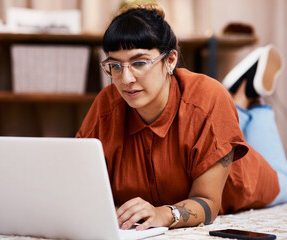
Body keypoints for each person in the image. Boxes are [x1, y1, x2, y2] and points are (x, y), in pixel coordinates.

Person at [76, 3, 287, 230]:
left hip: (248, 182)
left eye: (139, 63)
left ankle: (249, 97)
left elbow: (208, 203)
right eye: (115, 66)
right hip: (209, 120)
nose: (125, 79)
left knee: (283, 180)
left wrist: (163, 214)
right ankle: (241, 99)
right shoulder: (106, 107)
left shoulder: (208, 99)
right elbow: (77, 183)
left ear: (170, 60)